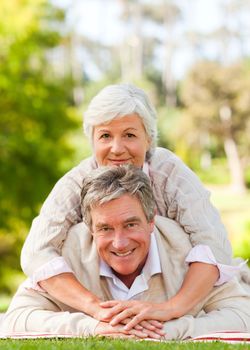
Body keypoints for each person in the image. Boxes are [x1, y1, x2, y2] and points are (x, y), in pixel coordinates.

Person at [21, 83, 239, 326]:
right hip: (102, 284)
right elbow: (36, 252)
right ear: (92, 141)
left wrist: (170, 309)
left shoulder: (171, 173)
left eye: (129, 135)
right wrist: (97, 309)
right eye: (105, 135)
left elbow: (213, 246)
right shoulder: (76, 181)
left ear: (149, 138)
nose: (117, 149)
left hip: (171, 284)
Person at [3, 166, 250, 340]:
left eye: (131, 224)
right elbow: (16, 318)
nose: (119, 243)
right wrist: (93, 326)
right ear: (90, 228)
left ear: (151, 220)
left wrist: (169, 329)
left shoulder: (184, 248)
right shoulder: (69, 249)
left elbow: (243, 315)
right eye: (105, 228)